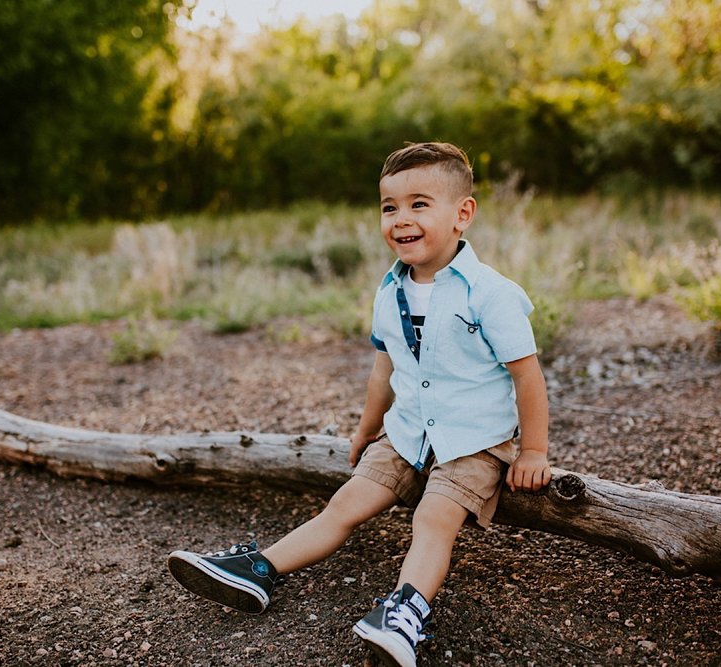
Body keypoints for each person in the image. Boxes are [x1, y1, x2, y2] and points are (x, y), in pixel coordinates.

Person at [167, 142, 552, 667]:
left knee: (434, 518)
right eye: (389, 207)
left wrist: (533, 452)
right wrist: (366, 429)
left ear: (463, 214)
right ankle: (260, 571)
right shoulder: (388, 290)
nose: (401, 219)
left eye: (419, 204)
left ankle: (406, 612)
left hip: (474, 440)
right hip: (408, 430)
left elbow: (527, 375)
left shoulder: (491, 293)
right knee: (346, 504)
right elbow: (383, 369)